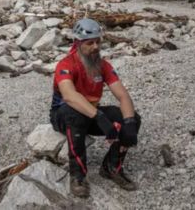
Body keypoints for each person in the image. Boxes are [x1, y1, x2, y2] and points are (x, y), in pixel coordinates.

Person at [50, 18, 141, 198]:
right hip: (63, 115)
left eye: (98, 42)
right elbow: (69, 96)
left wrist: (129, 123)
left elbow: (122, 95)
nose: (95, 47)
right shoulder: (65, 65)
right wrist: (99, 117)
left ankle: (111, 167)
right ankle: (78, 176)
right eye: (90, 43)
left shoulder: (103, 66)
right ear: (77, 43)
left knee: (131, 117)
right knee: (73, 112)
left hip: (90, 114)